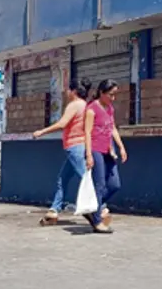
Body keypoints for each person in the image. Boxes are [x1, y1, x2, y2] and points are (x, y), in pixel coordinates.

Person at [32, 78, 111, 232]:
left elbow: (62, 124)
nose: (67, 92)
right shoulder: (86, 105)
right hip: (77, 147)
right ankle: (54, 210)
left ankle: (101, 208)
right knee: (63, 179)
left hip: (75, 146)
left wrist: (42, 131)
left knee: (85, 179)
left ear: (74, 92)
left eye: (69, 89)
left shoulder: (75, 105)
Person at [85, 79, 127, 233]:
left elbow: (112, 128)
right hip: (96, 149)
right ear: (102, 93)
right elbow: (87, 133)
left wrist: (121, 147)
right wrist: (89, 155)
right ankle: (97, 221)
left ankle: (91, 209)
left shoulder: (109, 108)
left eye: (115, 95)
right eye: (111, 95)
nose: (113, 98)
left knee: (115, 184)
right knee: (100, 184)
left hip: (108, 150)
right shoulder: (91, 109)